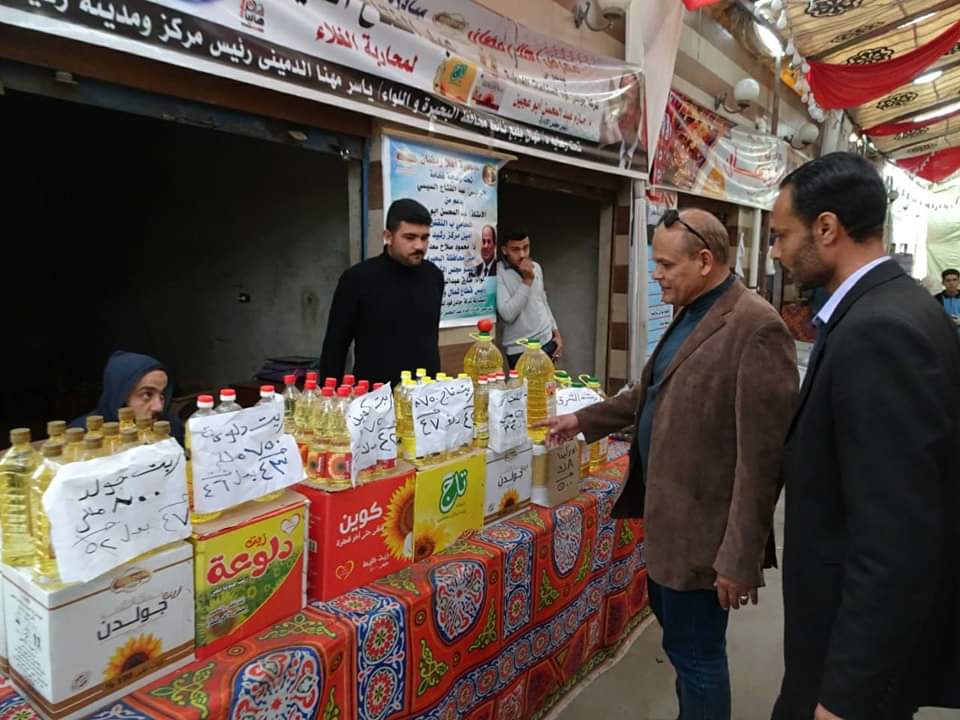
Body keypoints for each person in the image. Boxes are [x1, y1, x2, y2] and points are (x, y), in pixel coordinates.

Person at [539, 208, 798, 720]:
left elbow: (763, 461)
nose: (655, 275)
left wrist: (739, 558)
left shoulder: (756, 328)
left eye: (664, 264)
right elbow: (649, 392)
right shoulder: (691, 310)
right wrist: (582, 420)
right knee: (682, 648)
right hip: (668, 526)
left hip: (706, 539)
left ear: (704, 260)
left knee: (699, 658)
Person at [768, 152, 960, 720]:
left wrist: (846, 695)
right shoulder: (883, 308)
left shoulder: (881, 330)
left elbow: (895, 539)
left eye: (781, 235)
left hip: (846, 661)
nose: (775, 252)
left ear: (827, 228)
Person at [320, 199, 444, 387]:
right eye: (410, 237)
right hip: (374, 396)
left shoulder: (434, 276)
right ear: (388, 236)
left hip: (426, 394)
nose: (419, 246)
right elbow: (335, 346)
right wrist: (329, 395)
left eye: (424, 238)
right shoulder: (357, 279)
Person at [70, 350, 185, 444]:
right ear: (120, 395)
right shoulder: (82, 436)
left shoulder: (171, 428)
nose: (158, 407)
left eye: (162, 396)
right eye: (147, 394)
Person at [496, 227, 563, 368]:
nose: (522, 254)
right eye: (515, 249)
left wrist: (556, 333)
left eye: (526, 248)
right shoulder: (498, 273)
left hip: (546, 340)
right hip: (520, 349)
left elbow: (542, 301)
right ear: (504, 250)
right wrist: (527, 281)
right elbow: (507, 314)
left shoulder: (536, 267)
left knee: (550, 382)